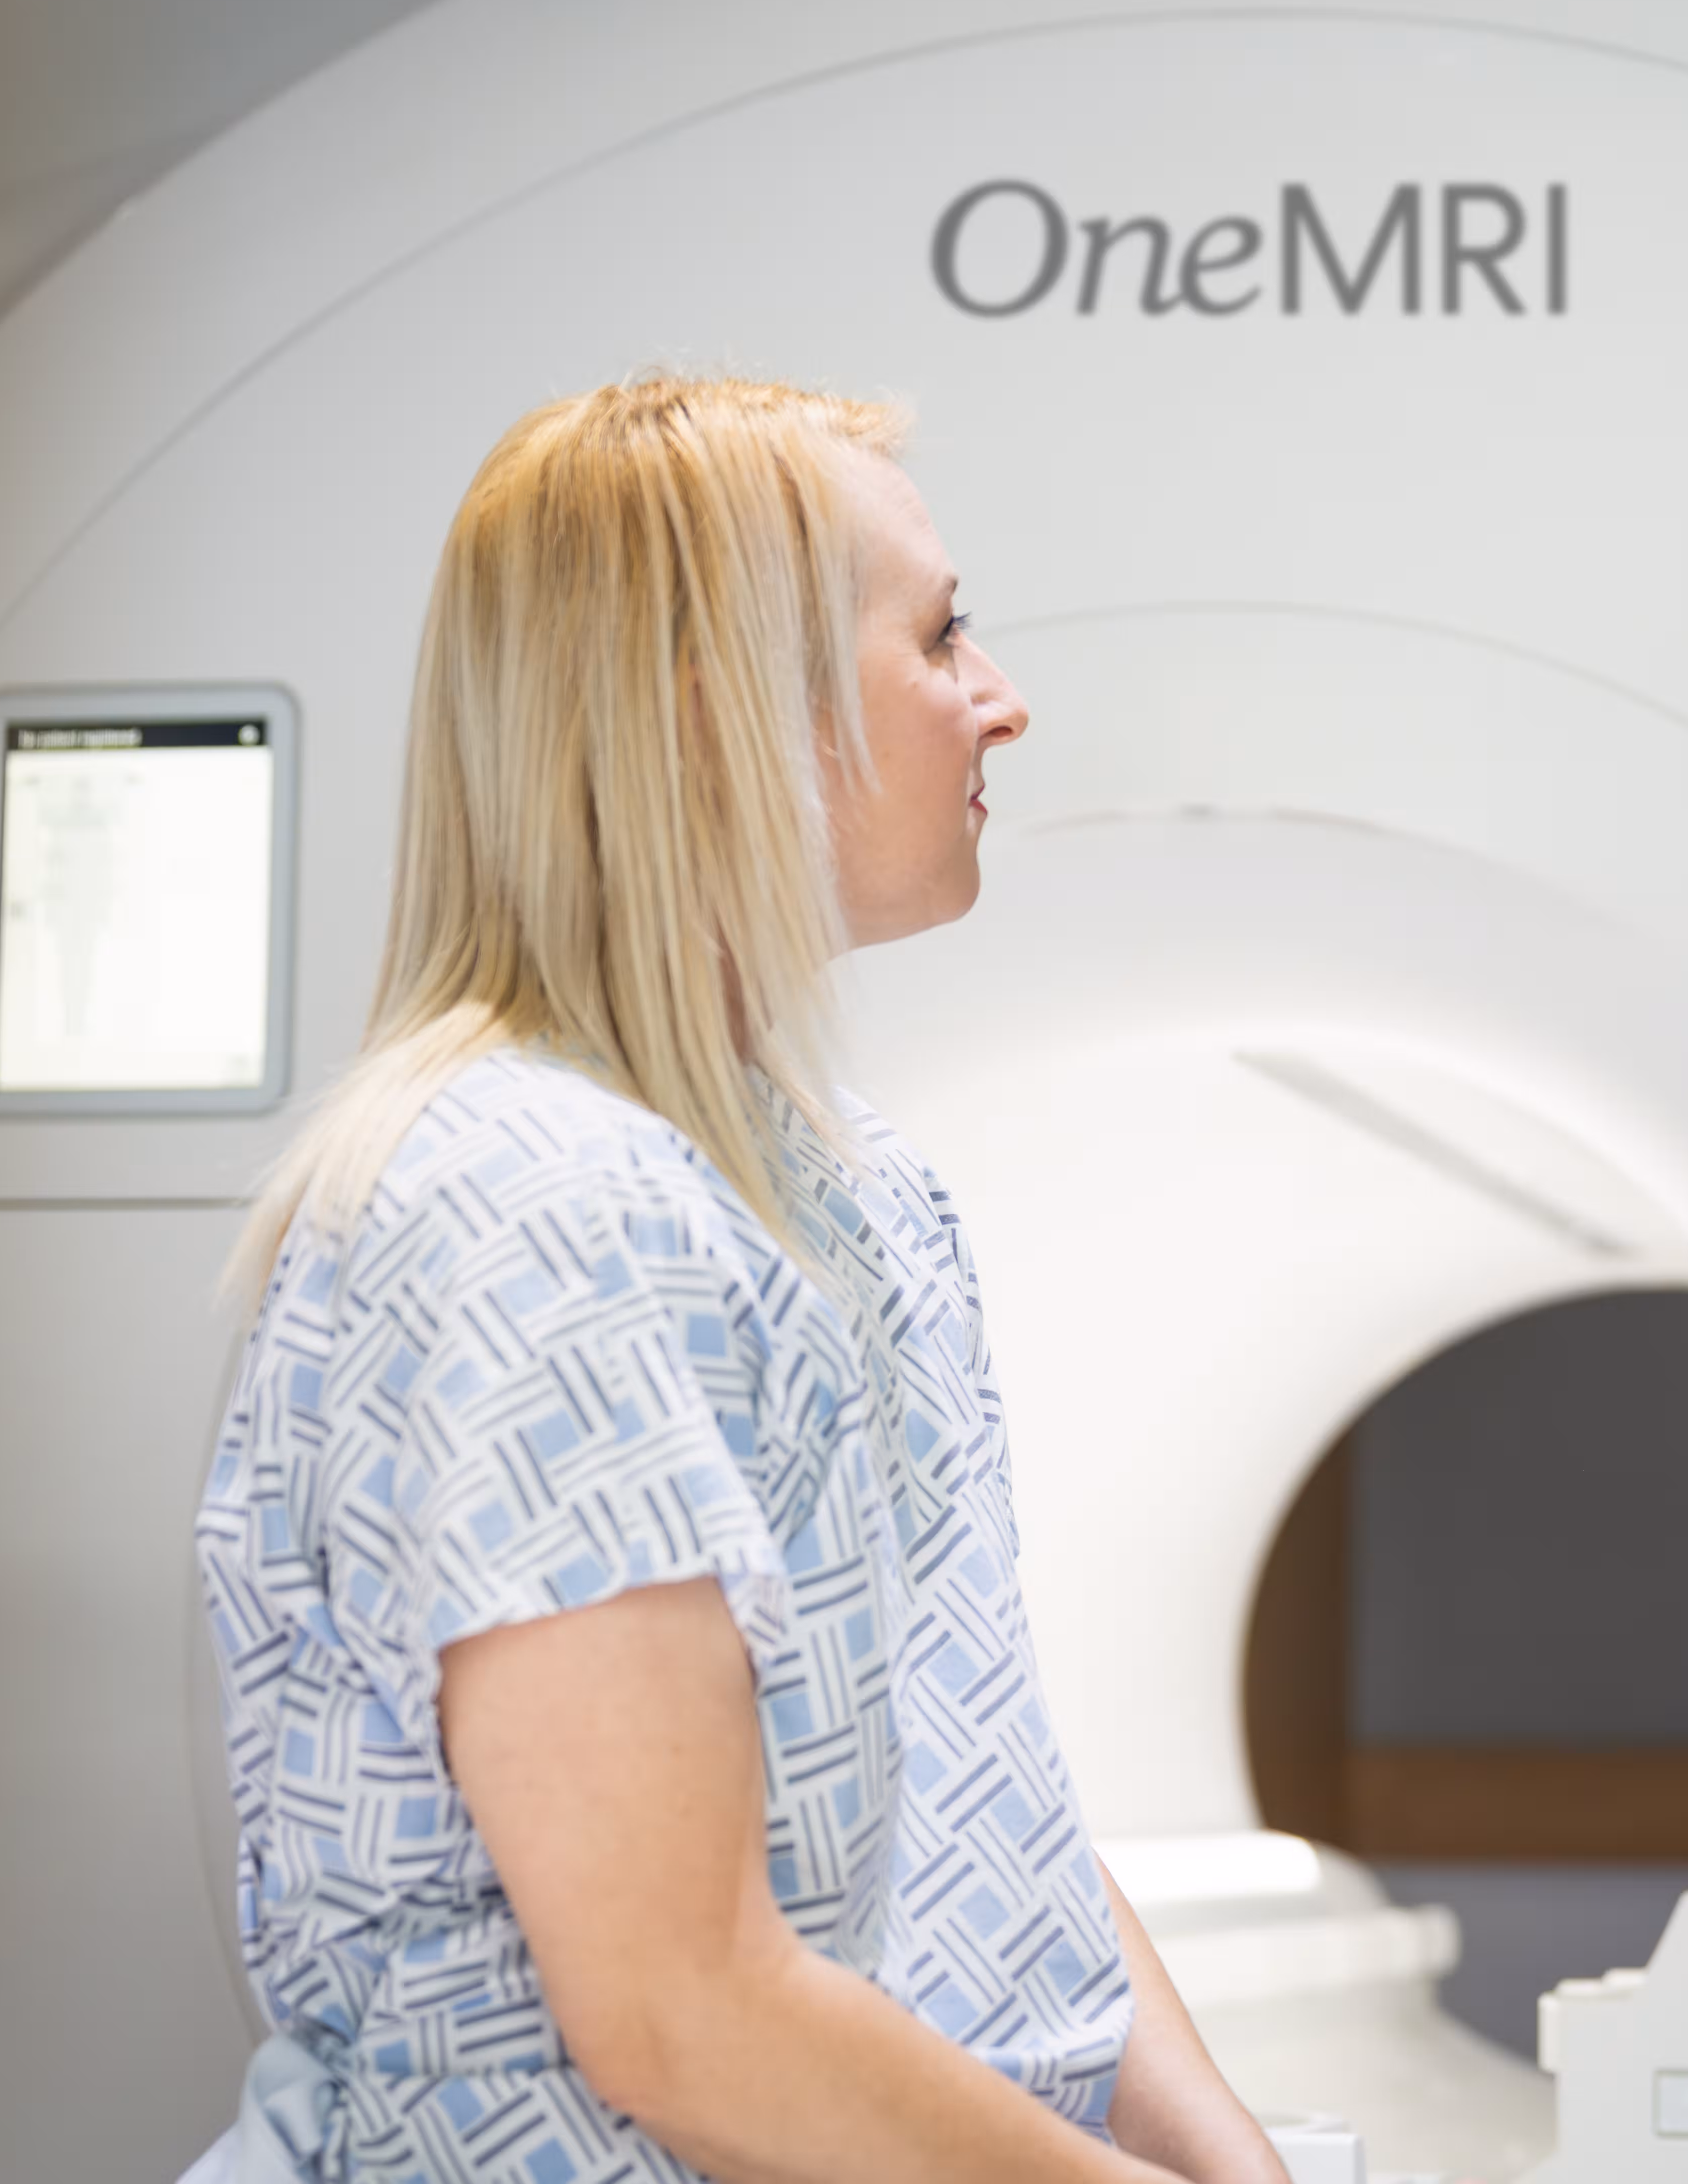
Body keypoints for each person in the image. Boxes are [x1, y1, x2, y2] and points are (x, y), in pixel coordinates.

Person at [190, 378, 1288, 2184]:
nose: (1002, 698)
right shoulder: (528, 1214)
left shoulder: (847, 1185)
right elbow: (678, 2011)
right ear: (719, 725)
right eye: (941, 643)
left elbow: (982, 1801)